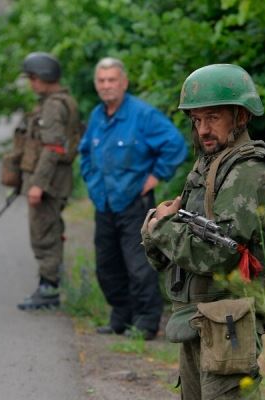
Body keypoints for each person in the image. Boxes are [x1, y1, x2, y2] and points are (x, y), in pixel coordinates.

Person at [141, 64, 265, 398]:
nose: (203, 129)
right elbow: (175, 251)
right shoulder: (211, 165)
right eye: (196, 119)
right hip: (196, 318)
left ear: (241, 117)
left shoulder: (249, 170)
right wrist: (157, 230)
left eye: (213, 117)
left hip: (227, 321)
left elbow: (219, 253)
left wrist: (161, 227)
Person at [78, 57, 187, 340]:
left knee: (139, 267)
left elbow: (175, 145)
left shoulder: (143, 114)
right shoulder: (97, 116)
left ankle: (146, 323)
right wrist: (91, 180)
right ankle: (120, 318)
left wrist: (154, 177)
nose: (106, 86)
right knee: (107, 266)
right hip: (104, 203)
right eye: (101, 81)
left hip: (133, 203)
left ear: (124, 82)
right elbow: (85, 152)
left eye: (112, 80)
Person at [5, 52, 81, 310]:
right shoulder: (60, 101)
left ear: (42, 78)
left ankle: (48, 288)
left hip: (49, 183)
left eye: (32, 78)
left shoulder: (53, 106)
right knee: (48, 230)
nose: (31, 83)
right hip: (53, 181)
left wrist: (37, 184)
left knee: (44, 234)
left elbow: (53, 148)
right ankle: (48, 283)